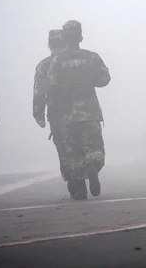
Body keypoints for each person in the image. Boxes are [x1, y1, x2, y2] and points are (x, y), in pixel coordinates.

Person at [46, 20, 111, 200]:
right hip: (89, 111)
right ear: (81, 37)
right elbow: (104, 79)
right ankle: (93, 166)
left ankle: (80, 189)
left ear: (64, 38)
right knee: (95, 148)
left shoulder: (57, 61)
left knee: (73, 153)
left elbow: (51, 86)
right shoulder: (91, 57)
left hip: (67, 115)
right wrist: (88, 81)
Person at [32, 29, 71, 190]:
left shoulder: (43, 65)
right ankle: (89, 170)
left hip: (56, 112)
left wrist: (38, 113)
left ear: (49, 45)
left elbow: (39, 91)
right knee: (83, 142)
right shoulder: (75, 60)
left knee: (63, 147)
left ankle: (73, 180)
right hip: (83, 110)